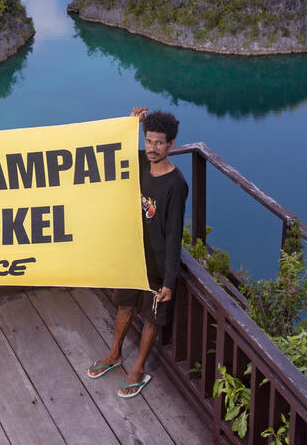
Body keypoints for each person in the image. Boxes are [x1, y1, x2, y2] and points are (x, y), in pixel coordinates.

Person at [87, 107, 188, 398]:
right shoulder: (140, 165)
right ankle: (115, 353)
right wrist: (131, 124)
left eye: (159, 143)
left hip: (157, 264)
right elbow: (114, 150)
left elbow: (173, 234)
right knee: (124, 306)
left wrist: (170, 280)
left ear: (171, 144)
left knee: (152, 317)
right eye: (148, 141)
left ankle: (138, 368)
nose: (152, 148)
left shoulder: (176, 184)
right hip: (133, 254)